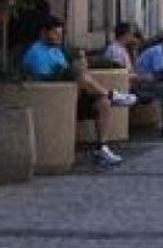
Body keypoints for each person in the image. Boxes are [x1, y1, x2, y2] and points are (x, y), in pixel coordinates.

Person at [21, 16, 136, 167]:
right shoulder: (36, 52)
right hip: (53, 98)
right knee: (79, 76)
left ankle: (101, 148)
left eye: (60, 34)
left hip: (72, 95)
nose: (59, 37)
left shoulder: (56, 50)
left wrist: (82, 63)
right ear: (43, 33)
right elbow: (48, 77)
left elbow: (68, 70)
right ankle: (112, 94)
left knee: (103, 103)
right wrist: (76, 74)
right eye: (55, 33)